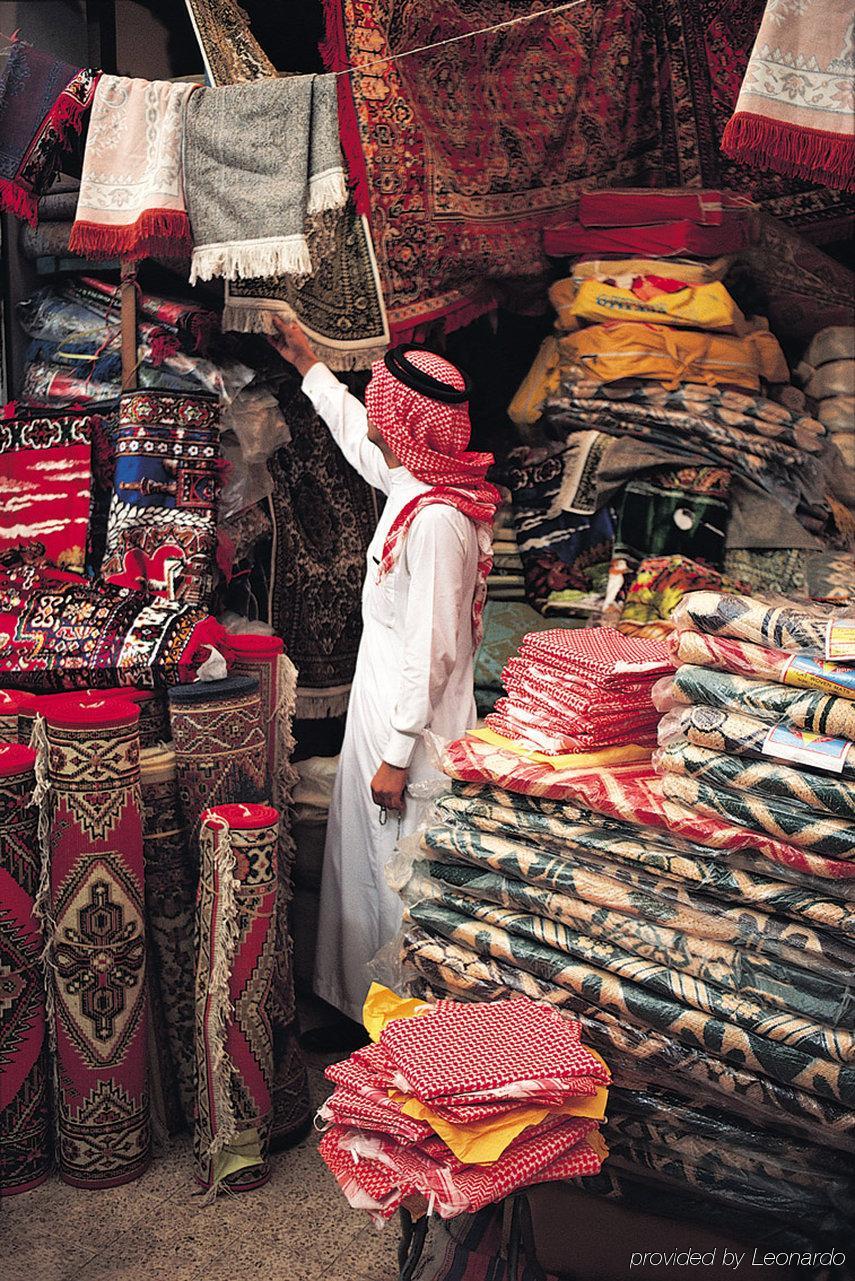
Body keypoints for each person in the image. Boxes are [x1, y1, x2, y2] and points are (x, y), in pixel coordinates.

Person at [269, 317, 499, 1030]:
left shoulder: (435, 522)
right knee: (364, 870)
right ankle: (357, 1009)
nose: (370, 416)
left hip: (415, 732)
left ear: (403, 421)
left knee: (398, 877)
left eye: (379, 406)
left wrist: (397, 755)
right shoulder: (418, 489)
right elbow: (361, 448)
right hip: (387, 715)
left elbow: (431, 650)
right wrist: (310, 367)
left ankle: (405, 1029)